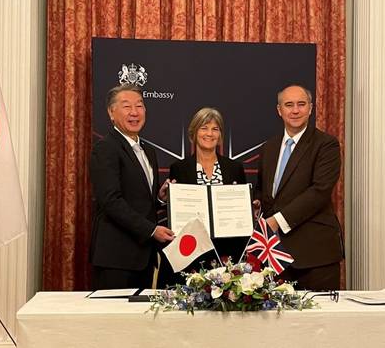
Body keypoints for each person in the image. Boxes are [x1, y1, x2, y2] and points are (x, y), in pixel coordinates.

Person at [254, 84, 343, 291]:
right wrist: (257, 203)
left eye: (301, 104)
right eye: (289, 105)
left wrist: (276, 221)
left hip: (315, 256)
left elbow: (319, 192)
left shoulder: (326, 145)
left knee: (319, 321)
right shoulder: (269, 147)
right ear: (279, 110)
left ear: (311, 108)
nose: (295, 110)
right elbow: (265, 190)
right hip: (276, 255)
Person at [89, 84, 174, 289]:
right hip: (116, 258)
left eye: (139, 105)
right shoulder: (106, 148)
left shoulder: (149, 151)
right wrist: (151, 230)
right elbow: (111, 201)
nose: (134, 112)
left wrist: (160, 199)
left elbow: (139, 200)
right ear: (111, 113)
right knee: (114, 320)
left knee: (140, 320)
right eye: (126, 106)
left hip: (143, 257)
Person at [159, 107, 247, 285]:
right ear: (194, 132)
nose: (210, 134)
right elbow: (175, 209)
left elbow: (242, 211)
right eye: (204, 128)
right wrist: (166, 199)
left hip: (226, 252)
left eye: (215, 129)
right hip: (193, 251)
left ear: (220, 135)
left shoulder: (234, 168)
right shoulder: (179, 168)